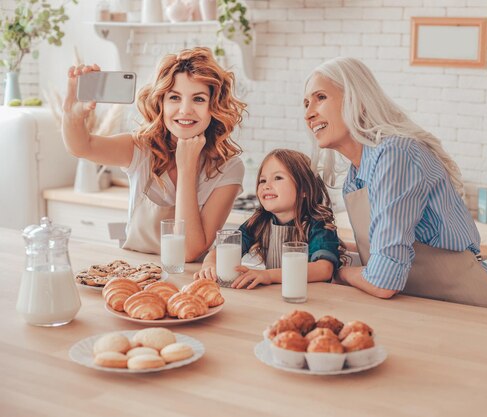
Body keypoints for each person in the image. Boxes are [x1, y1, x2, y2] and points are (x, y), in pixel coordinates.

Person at [302, 57, 487, 312]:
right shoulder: (356, 176)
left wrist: (341, 273)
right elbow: (388, 252)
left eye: (320, 97)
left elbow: (383, 280)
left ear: (356, 99)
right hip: (424, 309)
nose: (308, 113)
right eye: (306, 104)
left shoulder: (395, 155)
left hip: (471, 306)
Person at [62, 47, 245, 260]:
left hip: (188, 284)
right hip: (133, 274)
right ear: (161, 103)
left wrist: (187, 168)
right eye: (175, 97)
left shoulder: (228, 168)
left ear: (214, 106)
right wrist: (72, 114)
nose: (185, 110)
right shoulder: (141, 148)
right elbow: (82, 147)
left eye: (198, 99)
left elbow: (188, 251)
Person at [194, 149, 344, 289]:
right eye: (262, 180)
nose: (266, 186)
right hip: (274, 297)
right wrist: (210, 263)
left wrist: (269, 275)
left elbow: (324, 269)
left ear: (304, 189)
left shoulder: (318, 223)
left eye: (278, 178)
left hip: (311, 298)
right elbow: (222, 249)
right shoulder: (260, 221)